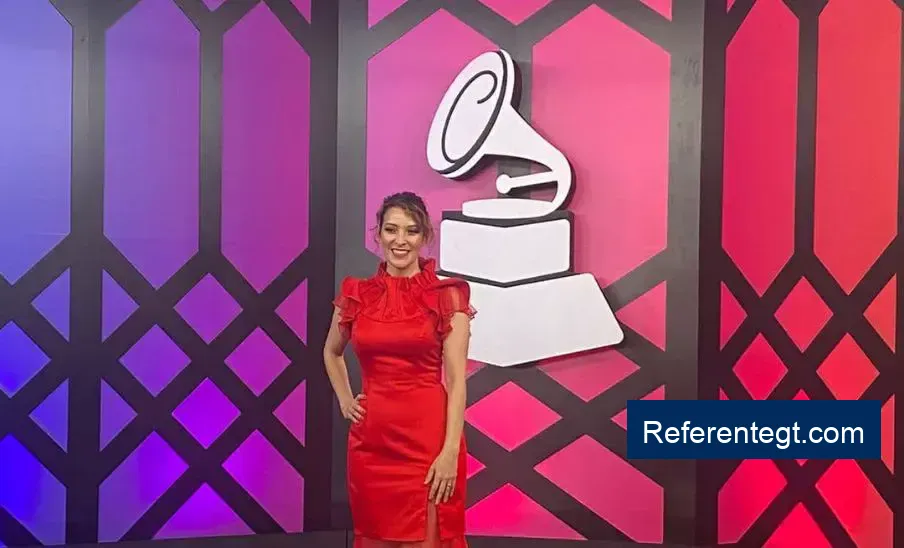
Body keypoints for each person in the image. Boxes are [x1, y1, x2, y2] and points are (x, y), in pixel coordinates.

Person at [323, 191, 475, 548]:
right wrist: (345, 400)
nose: (400, 240)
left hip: (428, 444)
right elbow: (331, 352)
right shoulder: (356, 294)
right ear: (378, 234)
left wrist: (450, 451)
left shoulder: (448, 296)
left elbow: (457, 382)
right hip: (371, 446)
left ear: (425, 236)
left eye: (411, 230)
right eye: (391, 229)